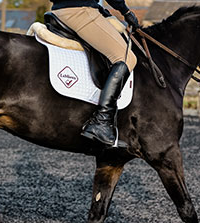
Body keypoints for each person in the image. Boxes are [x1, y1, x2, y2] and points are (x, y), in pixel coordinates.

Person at [50, 0, 140, 147]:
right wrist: (126, 12)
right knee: (126, 58)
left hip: (60, 9)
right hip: (80, 11)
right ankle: (101, 121)